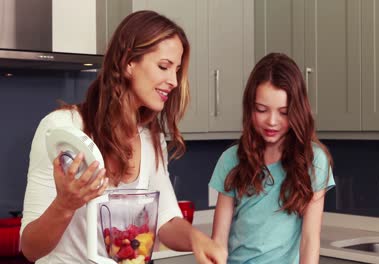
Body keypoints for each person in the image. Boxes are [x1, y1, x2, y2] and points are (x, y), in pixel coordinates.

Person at [20, 10, 226, 264]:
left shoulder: (151, 140)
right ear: (129, 62)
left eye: (177, 70)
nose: (173, 81)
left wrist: (198, 239)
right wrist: (65, 205)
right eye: (164, 66)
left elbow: (166, 221)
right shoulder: (62, 129)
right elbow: (30, 248)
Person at [209, 53, 335, 264]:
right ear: (250, 107)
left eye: (284, 112)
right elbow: (218, 242)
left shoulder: (314, 162)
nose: (272, 121)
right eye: (261, 110)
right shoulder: (230, 160)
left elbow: (309, 241)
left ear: (297, 112)